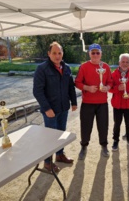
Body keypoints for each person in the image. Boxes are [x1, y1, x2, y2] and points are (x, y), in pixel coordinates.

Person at [33, 41, 77, 172]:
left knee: (61, 133)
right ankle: (47, 162)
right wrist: (47, 108)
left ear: (62, 54)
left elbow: (70, 87)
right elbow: (37, 91)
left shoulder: (66, 68)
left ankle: (59, 155)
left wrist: (73, 102)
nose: (57, 56)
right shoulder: (42, 69)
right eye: (54, 53)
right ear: (49, 54)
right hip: (50, 111)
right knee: (50, 137)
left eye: (59, 53)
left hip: (63, 108)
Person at [75, 43, 113, 160]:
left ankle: (104, 146)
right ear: (89, 54)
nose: (95, 55)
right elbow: (77, 82)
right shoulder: (84, 66)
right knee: (86, 126)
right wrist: (87, 88)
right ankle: (84, 146)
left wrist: (107, 87)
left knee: (103, 125)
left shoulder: (105, 67)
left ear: (101, 54)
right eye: (93, 53)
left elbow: (111, 82)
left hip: (102, 103)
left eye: (97, 52)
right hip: (88, 103)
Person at [109, 53, 129, 151]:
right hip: (117, 104)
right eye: (123, 61)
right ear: (119, 62)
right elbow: (109, 88)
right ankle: (115, 140)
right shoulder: (113, 74)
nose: (125, 64)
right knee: (117, 123)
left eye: (127, 62)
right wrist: (117, 88)